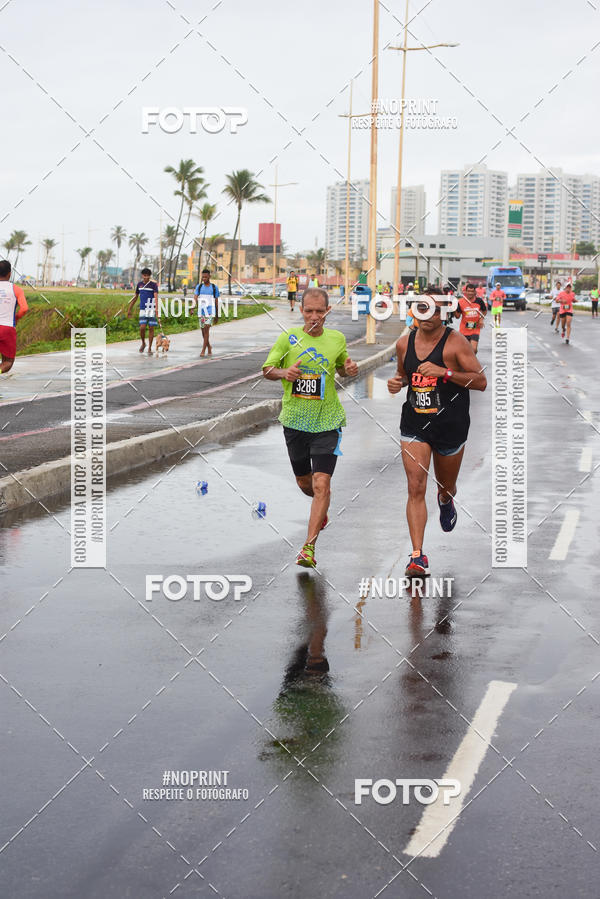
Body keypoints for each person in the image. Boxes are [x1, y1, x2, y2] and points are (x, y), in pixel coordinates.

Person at [387, 287, 487, 576]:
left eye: (432, 309)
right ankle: (417, 556)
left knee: (445, 485)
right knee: (415, 487)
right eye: (421, 307)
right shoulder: (404, 343)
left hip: (450, 426)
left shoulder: (456, 344)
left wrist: (445, 373)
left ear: (443, 312)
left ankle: (445, 500)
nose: (426, 314)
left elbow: (480, 382)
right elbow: (404, 376)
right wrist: (397, 383)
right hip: (415, 423)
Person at [262, 287, 358, 568]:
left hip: (328, 420)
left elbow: (341, 367)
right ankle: (321, 507)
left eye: (320, 311)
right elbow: (266, 369)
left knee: (322, 483)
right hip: (294, 421)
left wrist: (349, 370)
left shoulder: (336, 339)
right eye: (309, 311)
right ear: (301, 310)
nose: (314, 316)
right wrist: (284, 372)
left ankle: (308, 548)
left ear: (328, 311)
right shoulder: (288, 339)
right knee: (305, 484)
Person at [0, 259, 28, 374]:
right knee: (7, 362)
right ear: (9, 274)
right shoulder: (16, 289)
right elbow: (24, 309)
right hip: (7, 328)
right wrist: (16, 318)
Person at [127, 267, 159, 354]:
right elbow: (135, 297)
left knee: (151, 328)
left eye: (147, 276)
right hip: (143, 309)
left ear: (150, 276)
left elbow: (156, 297)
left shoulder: (153, 285)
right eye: (144, 276)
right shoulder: (139, 285)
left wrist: (157, 309)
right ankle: (143, 343)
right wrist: (129, 309)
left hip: (151, 308)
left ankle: (149, 348)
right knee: (142, 328)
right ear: (142, 275)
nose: (146, 277)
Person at [193, 268, 220, 356]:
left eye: (205, 277)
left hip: (210, 311)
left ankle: (203, 350)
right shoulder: (199, 287)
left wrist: (217, 315)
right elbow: (195, 297)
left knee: (206, 329)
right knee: (203, 331)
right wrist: (192, 307)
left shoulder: (214, 287)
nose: (204, 279)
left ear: (209, 276)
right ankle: (208, 346)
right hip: (201, 311)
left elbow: (216, 301)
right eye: (203, 277)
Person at [455, 282, 486, 354]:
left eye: (472, 291)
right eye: (468, 291)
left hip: (475, 329)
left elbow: (484, 311)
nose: (470, 293)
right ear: (465, 292)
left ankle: (472, 359)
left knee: (473, 349)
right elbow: (457, 316)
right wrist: (453, 309)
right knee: (465, 350)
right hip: (464, 329)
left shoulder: (479, 301)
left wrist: (481, 319)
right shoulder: (460, 302)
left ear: (475, 292)